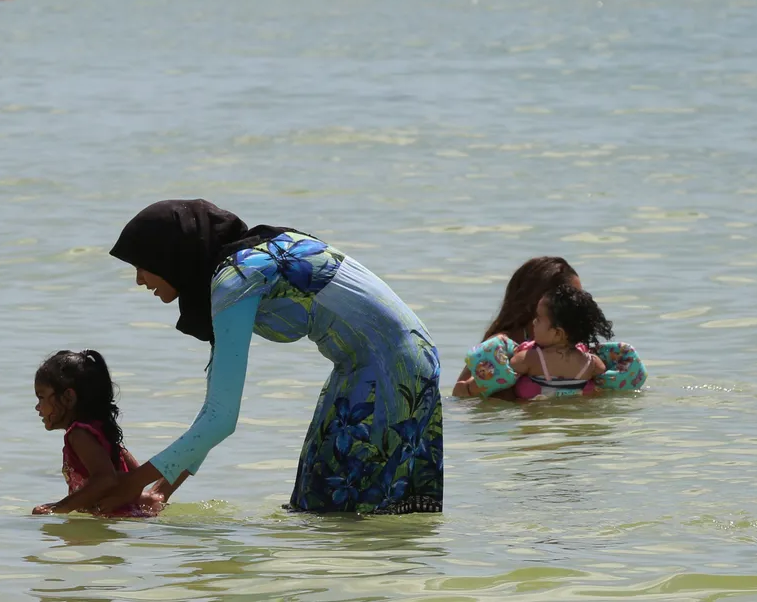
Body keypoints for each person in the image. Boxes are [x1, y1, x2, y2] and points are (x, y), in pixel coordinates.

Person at [90, 199, 443, 515]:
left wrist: (131, 483)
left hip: (392, 365)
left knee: (339, 510)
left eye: (142, 265)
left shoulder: (238, 277)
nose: (138, 280)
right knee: (319, 505)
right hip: (373, 363)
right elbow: (214, 410)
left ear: (170, 255)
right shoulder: (239, 265)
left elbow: (221, 419)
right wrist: (161, 490)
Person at [452, 257, 646, 400]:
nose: (579, 309)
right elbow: (461, 398)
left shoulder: (577, 352)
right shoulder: (500, 352)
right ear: (539, 303)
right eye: (570, 299)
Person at [31, 350, 160, 516]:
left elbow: (106, 479)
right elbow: (136, 475)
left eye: (41, 397)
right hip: (130, 517)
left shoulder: (78, 434)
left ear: (68, 397)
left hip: (112, 519)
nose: (37, 407)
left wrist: (58, 508)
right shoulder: (100, 431)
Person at [463, 285, 611, 399]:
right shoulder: (591, 363)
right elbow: (604, 374)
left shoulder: (530, 358)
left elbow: (499, 376)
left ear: (558, 333)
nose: (533, 322)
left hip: (537, 420)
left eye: (539, 319)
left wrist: (469, 387)